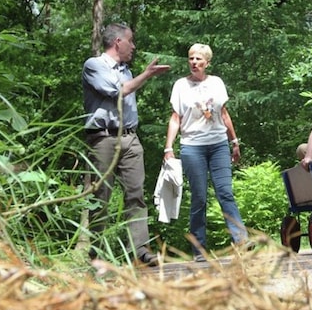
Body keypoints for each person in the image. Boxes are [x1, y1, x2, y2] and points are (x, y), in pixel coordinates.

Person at [82, 23, 171, 266]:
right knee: (101, 198)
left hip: (130, 138)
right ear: (117, 42)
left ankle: (141, 251)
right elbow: (120, 91)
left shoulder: (126, 69)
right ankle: (96, 255)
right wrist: (148, 74)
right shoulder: (94, 66)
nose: (133, 46)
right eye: (130, 41)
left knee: (136, 195)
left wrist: (141, 74)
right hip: (103, 138)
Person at [164, 43, 250, 262]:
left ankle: (241, 240)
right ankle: (199, 249)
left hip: (218, 144)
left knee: (225, 192)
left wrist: (235, 141)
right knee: (199, 197)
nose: (194, 62)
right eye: (191, 58)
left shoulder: (217, 83)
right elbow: (176, 118)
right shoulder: (180, 85)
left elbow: (223, 113)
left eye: (199, 59)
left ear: (207, 63)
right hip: (192, 146)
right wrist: (168, 148)